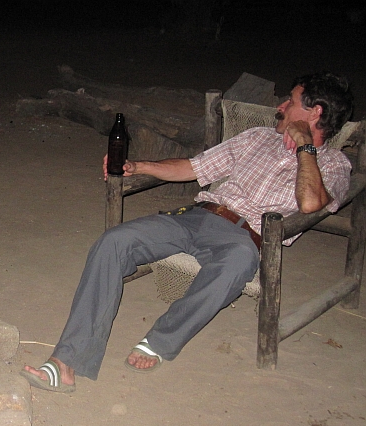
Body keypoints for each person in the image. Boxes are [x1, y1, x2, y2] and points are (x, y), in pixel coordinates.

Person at [21, 72, 354, 393]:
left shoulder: (334, 164)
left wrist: (304, 148)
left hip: (247, 238)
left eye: (291, 100)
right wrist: (139, 166)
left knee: (236, 264)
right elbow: (195, 168)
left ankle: (160, 340)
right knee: (115, 241)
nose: (280, 106)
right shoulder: (257, 137)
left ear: (315, 112)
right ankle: (67, 361)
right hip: (198, 217)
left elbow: (311, 203)